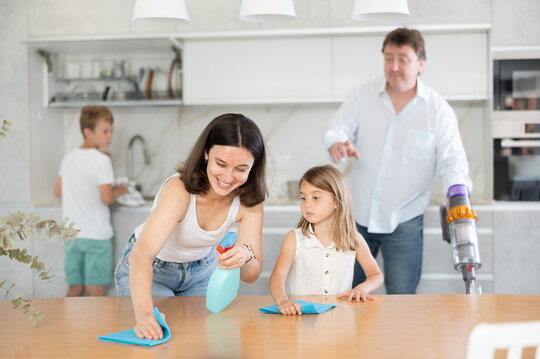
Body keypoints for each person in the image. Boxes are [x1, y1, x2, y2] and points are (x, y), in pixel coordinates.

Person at [323, 27, 472, 294]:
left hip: (405, 221)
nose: (394, 66)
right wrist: (336, 142)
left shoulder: (438, 111)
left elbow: (453, 164)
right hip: (357, 219)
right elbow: (337, 128)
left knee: (402, 300)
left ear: (420, 64)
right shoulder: (362, 95)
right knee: (344, 293)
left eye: (403, 59)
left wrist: (458, 195)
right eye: (388, 58)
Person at [115, 113, 267, 340]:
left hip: (202, 270)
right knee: (158, 337)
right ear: (206, 154)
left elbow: (250, 275)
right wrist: (145, 315)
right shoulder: (180, 190)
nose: (228, 177)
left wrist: (246, 255)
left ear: (253, 166)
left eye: (241, 169)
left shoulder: (250, 203)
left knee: (203, 339)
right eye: (221, 163)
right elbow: (142, 255)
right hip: (151, 269)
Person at [269, 165, 383, 315]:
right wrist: (282, 301)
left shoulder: (354, 239)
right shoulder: (294, 238)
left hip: (339, 317)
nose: (307, 204)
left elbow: (376, 275)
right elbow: (277, 276)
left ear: (336, 201)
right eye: (303, 198)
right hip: (300, 317)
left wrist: (361, 289)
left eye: (315, 197)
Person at [54, 105, 129, 297]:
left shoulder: (68, 158)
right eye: (105, 131)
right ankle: (99, 329)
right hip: (96, 236)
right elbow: (106, 198)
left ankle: (66, 326)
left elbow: (57, 191)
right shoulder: (102, 160)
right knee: (95, 289)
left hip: (71, 236)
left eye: (111, 130)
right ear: (88, 132)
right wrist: (118, 191)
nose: (110, 136)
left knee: (76, 287)